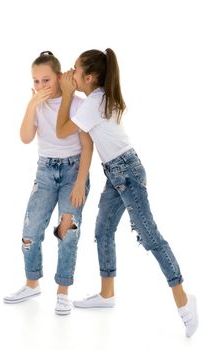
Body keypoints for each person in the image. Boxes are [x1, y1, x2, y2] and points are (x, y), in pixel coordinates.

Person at [55, 48, 198, 336]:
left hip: (127, 174)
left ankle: (184, 301)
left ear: (90, 77)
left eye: (75, 70)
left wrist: (68, 93)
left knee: (150, 236)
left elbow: (61, 131)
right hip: (117, 171)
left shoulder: (92, 104)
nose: (71, 73)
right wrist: (70, 89)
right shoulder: (97, 98)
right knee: (103, 229)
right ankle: (107, 293)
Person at [3, 51, 93, 316]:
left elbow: (87, 147)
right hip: (45, 171)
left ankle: (63, 291)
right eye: (36, 81)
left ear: (59, 77)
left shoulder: (76, 104)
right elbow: (25, 138)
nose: (41, 86)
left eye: (46, 80)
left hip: (73, 170)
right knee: (30, 230)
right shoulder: (37, 104)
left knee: (68, 231)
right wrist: (31, 104)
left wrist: (79, 183)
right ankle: (32, 283)